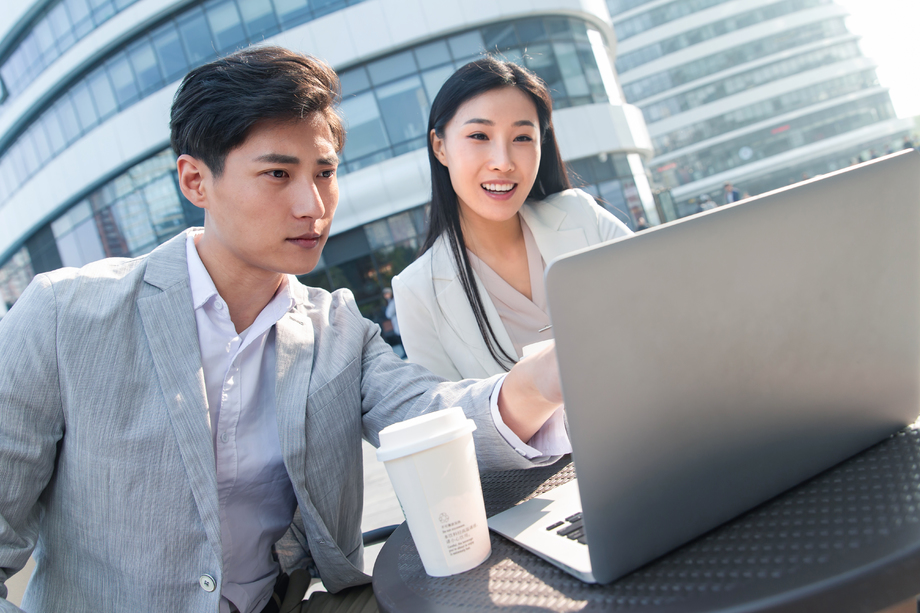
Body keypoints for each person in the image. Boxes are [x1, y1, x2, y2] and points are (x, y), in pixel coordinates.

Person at [0, 46, 567, 613]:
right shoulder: (63, 316)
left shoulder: (337, 330)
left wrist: (544, 378)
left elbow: (434, 415)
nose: (312, 205)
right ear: (195, 181)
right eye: (277, 174)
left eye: (325, 173)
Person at [393, 57, 631, 382]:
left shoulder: (582, 216)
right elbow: (448, 408)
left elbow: (662, 307)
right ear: (440, 147)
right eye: (479, 136)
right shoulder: (417, 292)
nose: (503, 163)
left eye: (522, 138)